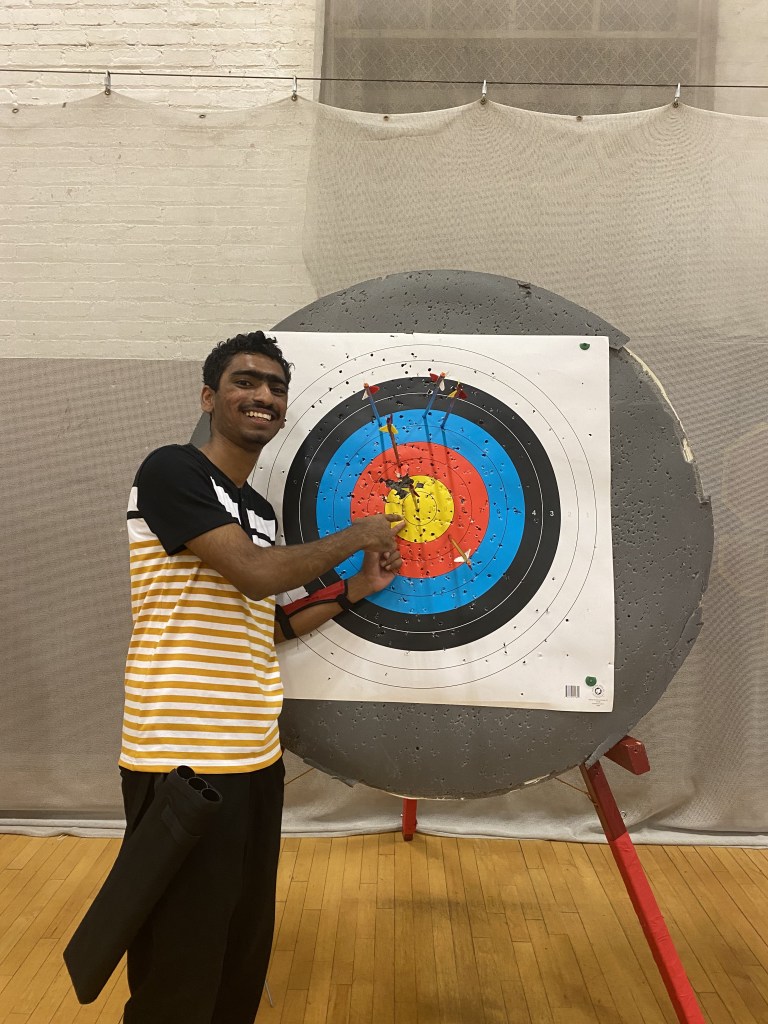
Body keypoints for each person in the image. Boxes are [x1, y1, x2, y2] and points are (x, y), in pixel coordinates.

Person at [118, 331, 404, 1024]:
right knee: (180, 958)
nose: (264, 396)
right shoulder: (172, 470)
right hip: (181, 755)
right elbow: (252, 574)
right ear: (209, 397)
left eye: (276, 387)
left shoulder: (260, 514)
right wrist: (361, 533)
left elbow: (265, 623)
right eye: (245, 382)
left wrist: (357, 590)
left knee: (240, 947)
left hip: (253, 754)